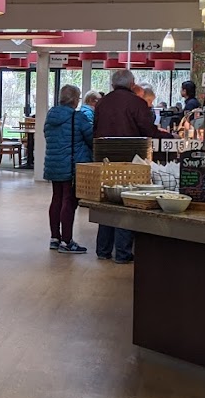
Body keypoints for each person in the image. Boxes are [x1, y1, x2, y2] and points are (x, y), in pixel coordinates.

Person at [92, 68, 155, 264]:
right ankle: (122, 252)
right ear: (131, 84)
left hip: (104, 159)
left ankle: (103, 250)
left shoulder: (102, 103)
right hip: (131, 160)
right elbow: (147, 130)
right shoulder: (137, 103)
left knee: (107, 201)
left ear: (112, 84)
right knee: (126, 202)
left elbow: (95, 129)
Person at [43, 85, 93, 254]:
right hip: (71, 165)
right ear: (74, 100)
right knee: (69, 201)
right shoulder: (77, 117)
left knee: (56, 199)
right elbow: (91, 138)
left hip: (53, 163)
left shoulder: (50, 116)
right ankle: (66, 241)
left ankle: (55, 238)